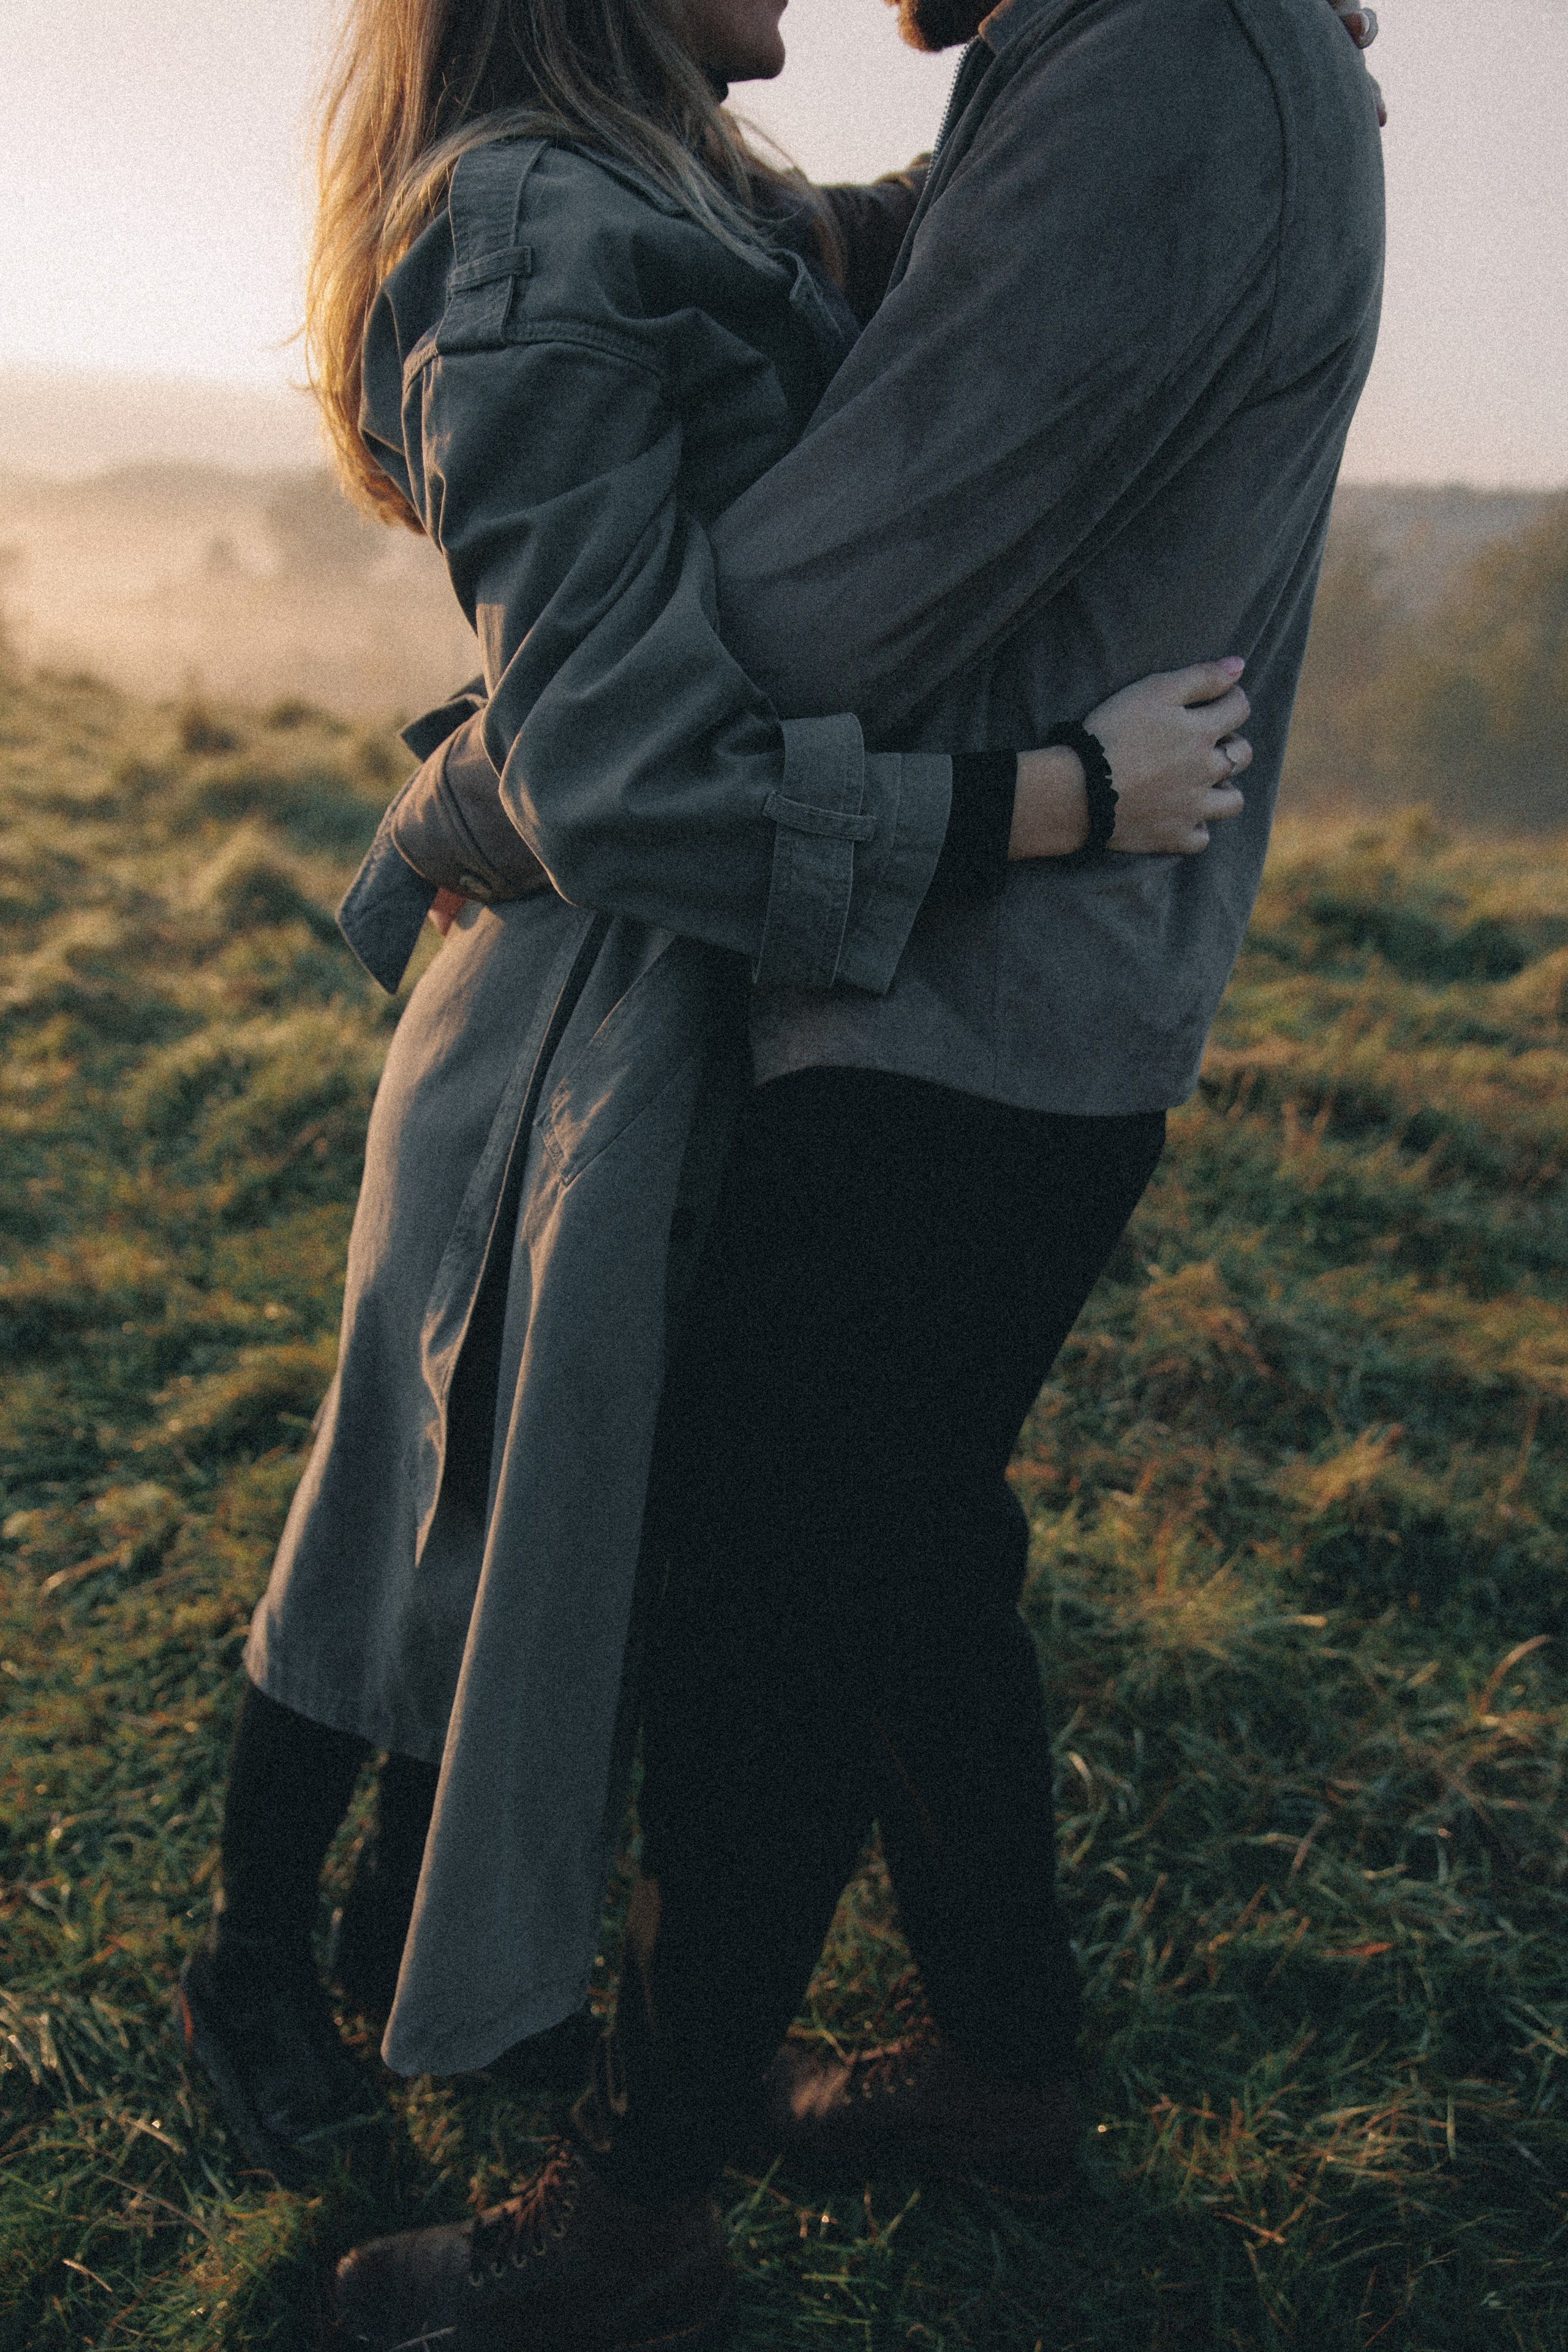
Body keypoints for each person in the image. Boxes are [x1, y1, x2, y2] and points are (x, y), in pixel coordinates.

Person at [169, 0, 1382, 2337]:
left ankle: (556, 2081)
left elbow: (909, 293)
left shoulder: (760, 178)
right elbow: (633, 737)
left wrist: (486, 784)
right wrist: (1031, 797)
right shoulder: (544, 219)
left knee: (649, 1523)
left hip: (689, 960)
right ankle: (273, 1966)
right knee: (423, 1485)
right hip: (580, 982)